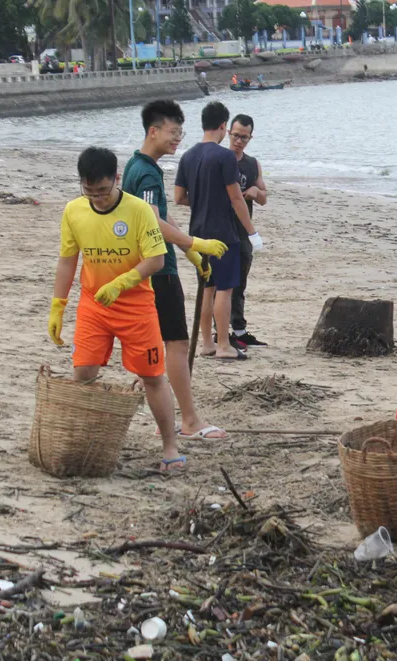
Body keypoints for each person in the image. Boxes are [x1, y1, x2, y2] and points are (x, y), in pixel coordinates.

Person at [48, 147, 185, 470]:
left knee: (152, 376)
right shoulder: (73, 211)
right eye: (89, 191)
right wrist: (58, 304)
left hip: (136, 308)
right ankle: (81, 441)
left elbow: (156, 259)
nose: (97, 198)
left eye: (103, 191)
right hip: (94, 307)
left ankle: (170, 446)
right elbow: (68, 260)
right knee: (83, 373)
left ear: (117, 179)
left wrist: (122, 283)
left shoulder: (139, 211)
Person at [121, 99, 229, 442]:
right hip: (158, 271)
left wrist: (188, 249)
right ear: (153, 131)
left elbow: (159, 215)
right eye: (172, 132)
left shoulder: (135, 166)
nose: (177, 139)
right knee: (178, 345)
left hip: (149, 265)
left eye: (181, 132)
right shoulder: (148, 172)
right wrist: (197, 244)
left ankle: (164, 417)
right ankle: (190, 421)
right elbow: (153, 221)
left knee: (161, 346)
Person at [174, 101, 262, 361]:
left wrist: (203, 200)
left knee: (207, 287)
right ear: (224, 126)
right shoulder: (224, 156)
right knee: (224, 289)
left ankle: (206, 343)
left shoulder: (188, 155)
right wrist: (252, 232)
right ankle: (223, 344)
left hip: (197, 234)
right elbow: (236, 199)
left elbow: (179, 197)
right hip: (223, 233)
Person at [227, 114, 268, 348]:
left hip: (243, 232)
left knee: (239, 283)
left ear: (250, 138)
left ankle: (239, 330)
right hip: (221, 229)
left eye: (244, 137)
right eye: (236, 136)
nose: (239, 141)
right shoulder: (220, 159)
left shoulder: (252, 164)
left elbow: (264, 197)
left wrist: (254, 191)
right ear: (228, 134)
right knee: (221, 284)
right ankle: (220, 331)